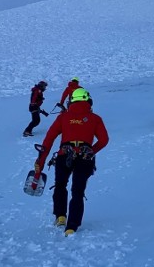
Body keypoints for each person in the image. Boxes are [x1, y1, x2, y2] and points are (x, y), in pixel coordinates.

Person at [32, 88, 109, 236]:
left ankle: (60, 216)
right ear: (88, 101)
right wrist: (91, 150)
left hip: (64, 155)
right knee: (78, 191)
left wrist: (40, 163)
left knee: (60, 185)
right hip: (85, 158)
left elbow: (48, 140)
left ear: (71, 101)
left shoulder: (63, 117)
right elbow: (104, 140)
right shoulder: (95, 118)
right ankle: (72, 226)